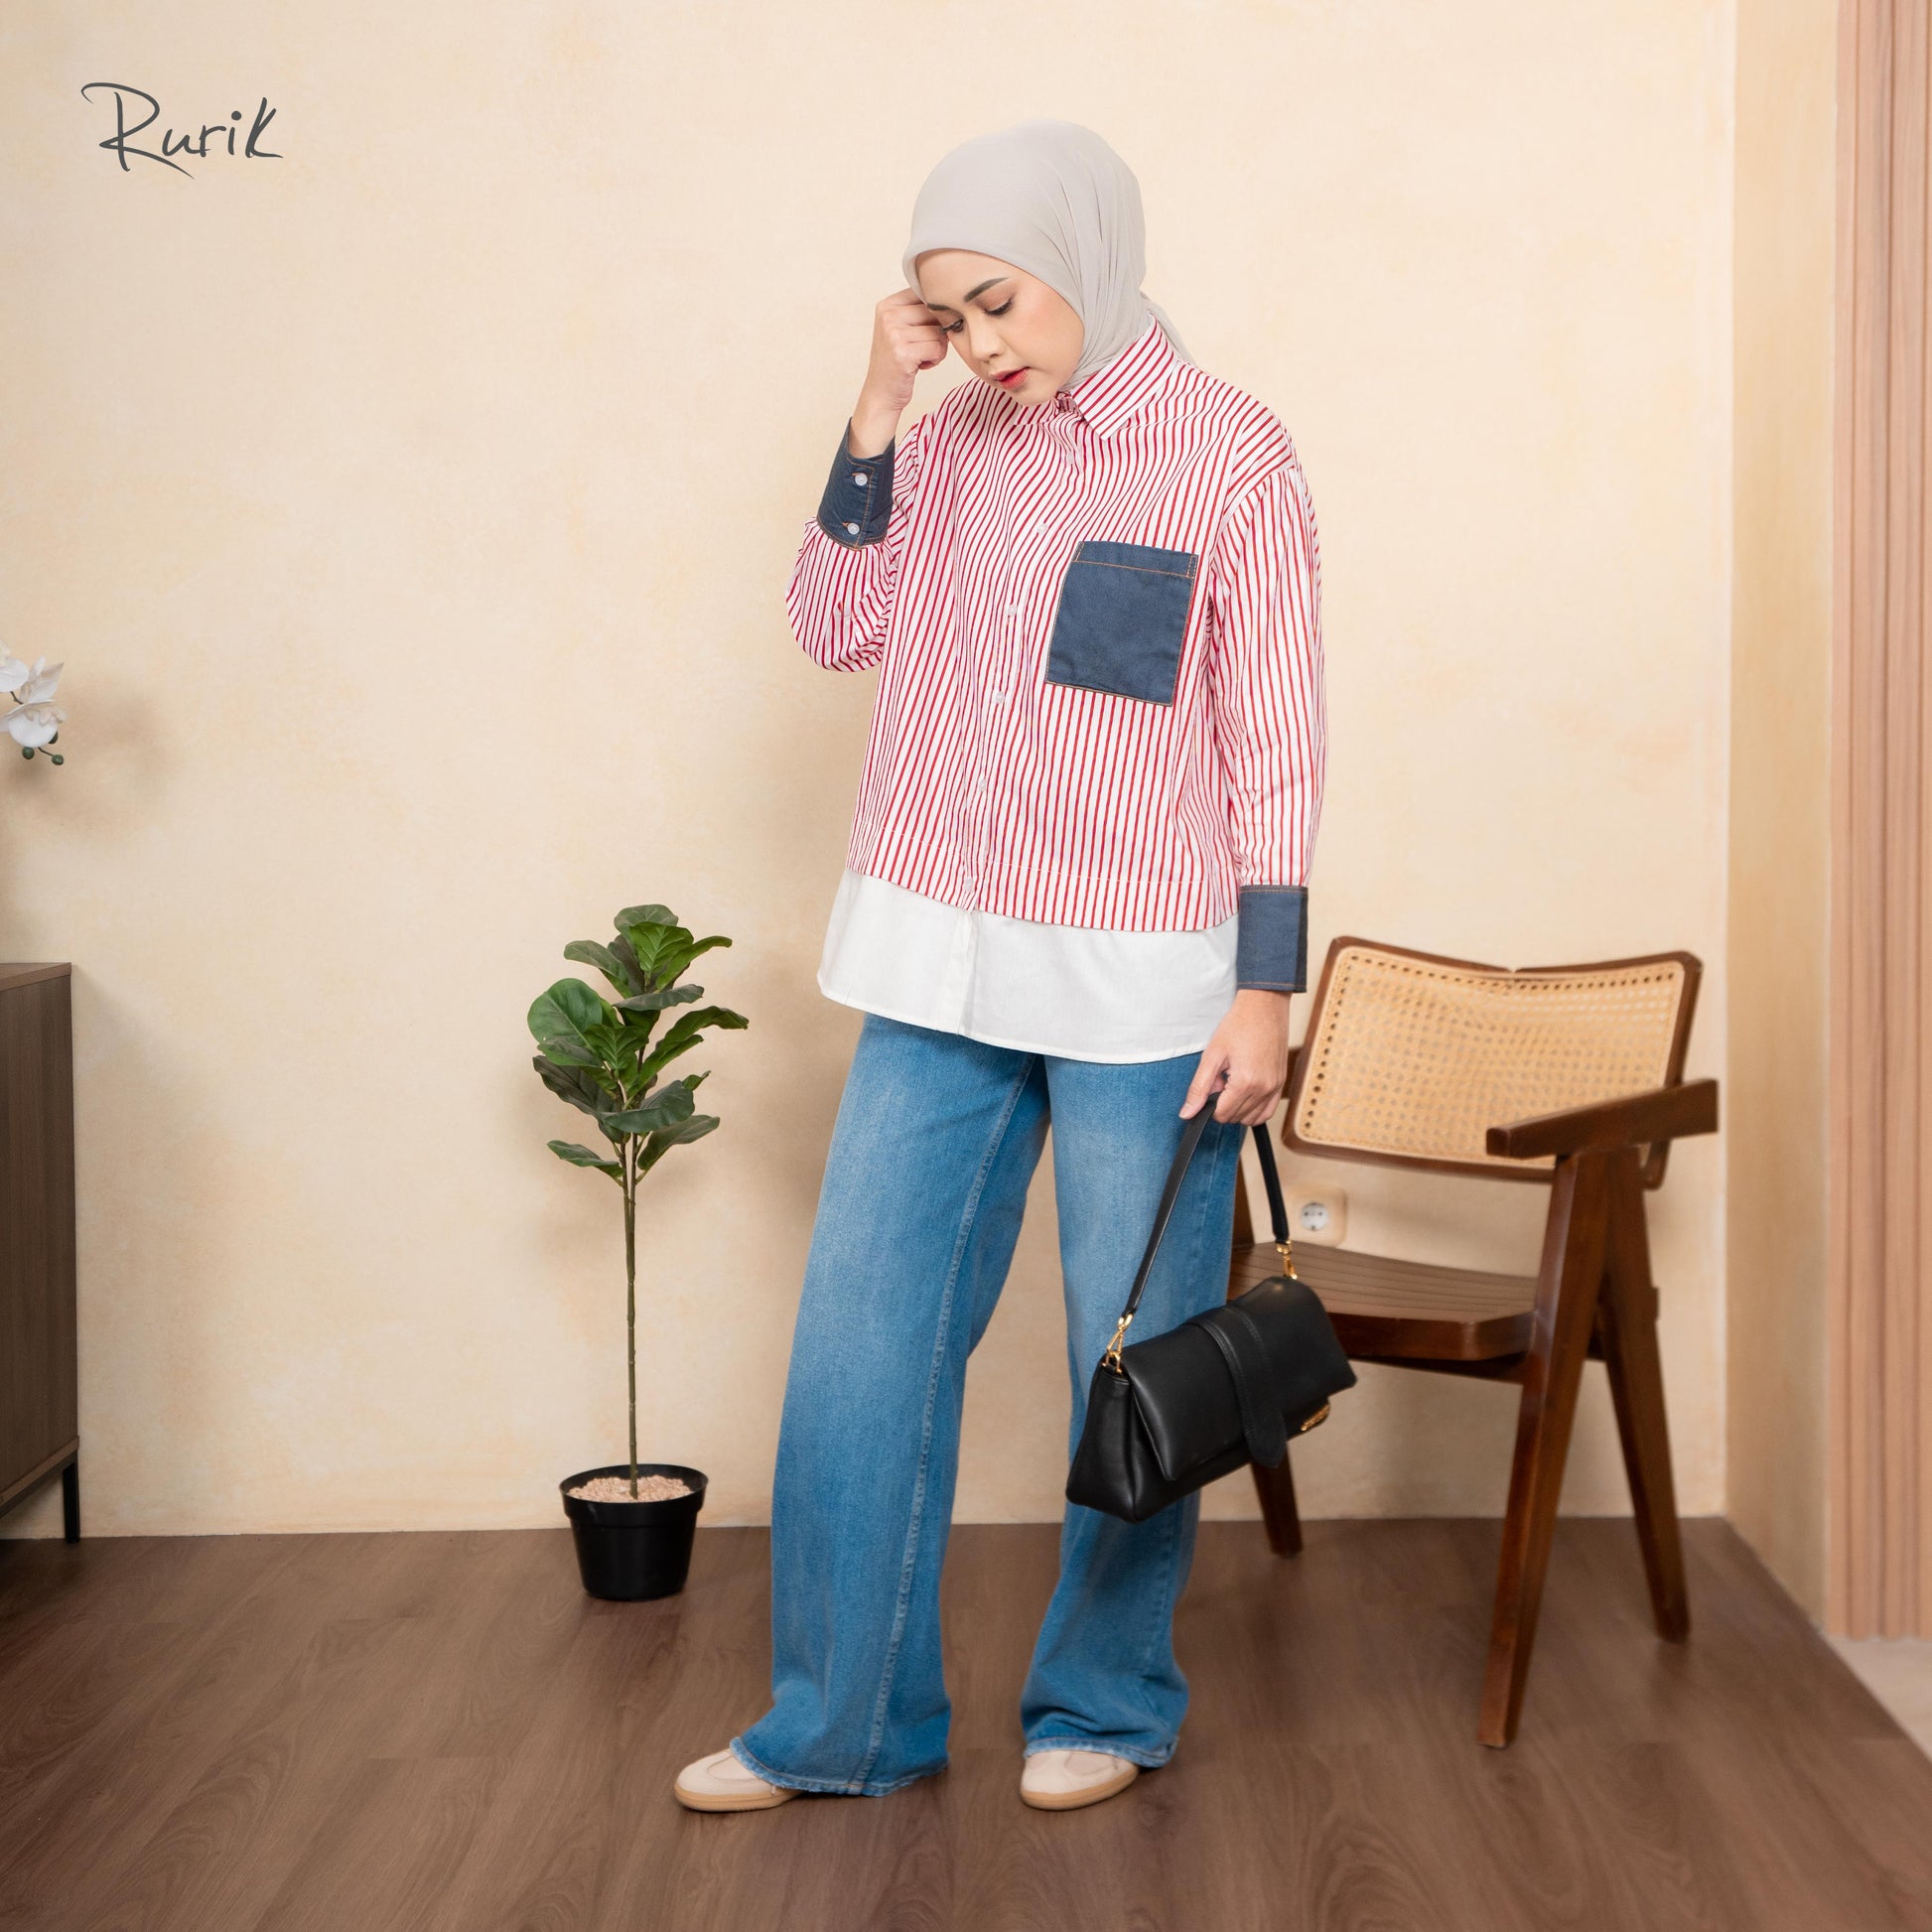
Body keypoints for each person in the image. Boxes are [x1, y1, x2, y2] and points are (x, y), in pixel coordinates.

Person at [675, 118, 1324, 1815]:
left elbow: (1274, 741)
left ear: (1086, 261)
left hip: (1145, 986)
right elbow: (832, 625)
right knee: (862, 1345)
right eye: (948, 313)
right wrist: (875, 411)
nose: (980, 344)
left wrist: (1264, 987)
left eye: (1000, 303)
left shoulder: (1230, 454)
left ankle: (1102, 1699)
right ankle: (840, 1723)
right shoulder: (950, 436)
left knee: (1135, 1357)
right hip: (936, 963)